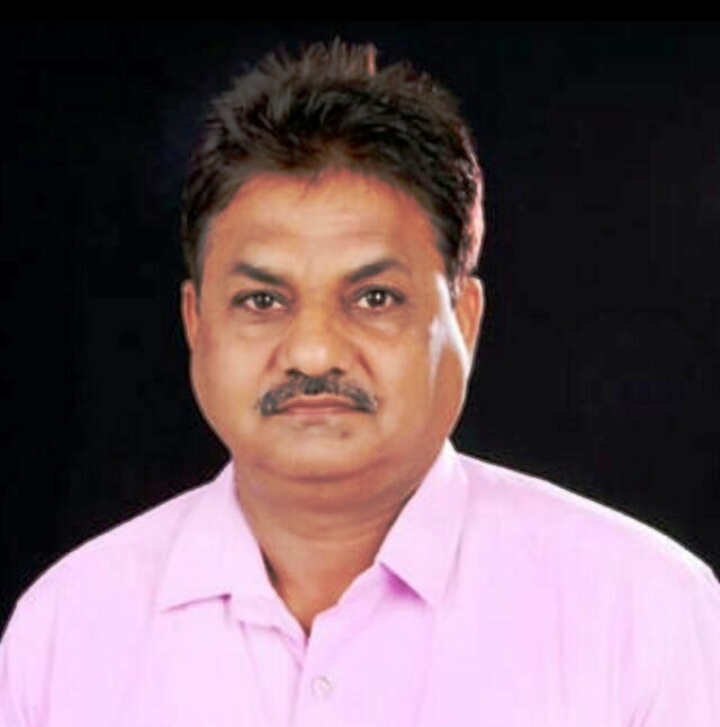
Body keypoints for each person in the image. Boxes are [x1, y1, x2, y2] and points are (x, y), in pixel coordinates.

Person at [1, 39, 718, 726]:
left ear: (464, 319)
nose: (313, 353)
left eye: (375, 297)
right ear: (195, 321)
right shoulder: (68, 630)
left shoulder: (645, 616)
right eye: (262, 300)